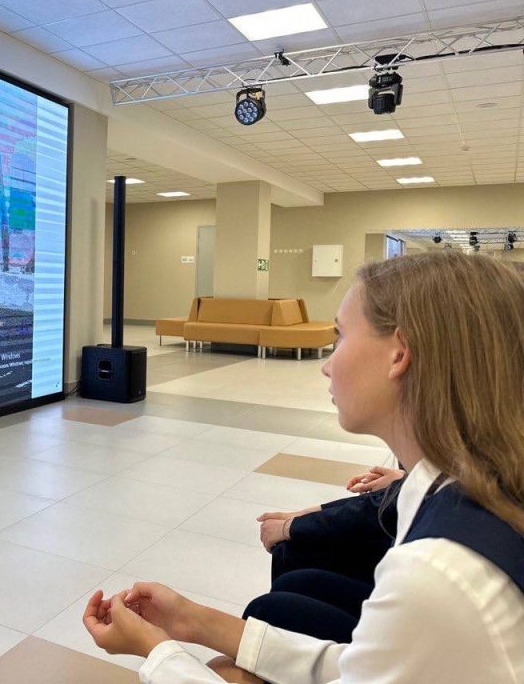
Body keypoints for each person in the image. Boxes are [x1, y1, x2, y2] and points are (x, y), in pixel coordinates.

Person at [84, 251, 524, 683]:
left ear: (399, 353)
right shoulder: (469, 492)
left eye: (341, 337)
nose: (328, 365)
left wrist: (156, 653)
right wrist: (193, 621)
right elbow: (364, 665)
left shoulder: (437, 576)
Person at [242, 468, 405, 643]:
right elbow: (386, 501)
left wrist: (293, 525)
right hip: (401, 579)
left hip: (404, 614)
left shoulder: (428, 475)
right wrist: (303, 517)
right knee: (291, 567)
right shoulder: (427, 475)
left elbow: (382, 508)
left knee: (265, 607)